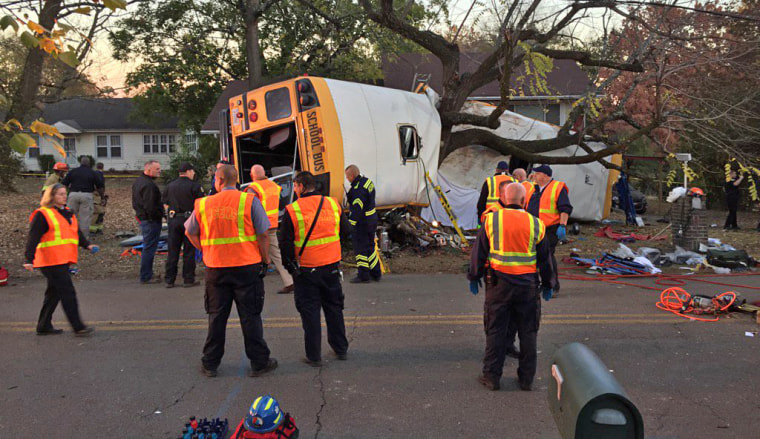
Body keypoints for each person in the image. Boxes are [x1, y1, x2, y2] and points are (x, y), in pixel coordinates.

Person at [185, 164, 277, 378]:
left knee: (217, 317)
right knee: (250, 316)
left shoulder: (204, 204)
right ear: (236, 180)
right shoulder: (249, 201)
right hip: (246, 267)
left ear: (218, 180)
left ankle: (210, 363)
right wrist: (265, 259)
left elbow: (190, 232)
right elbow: (263, 234)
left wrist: (206, 249)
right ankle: (259, 362)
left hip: (216, 268)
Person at [468, 182, 554, 391]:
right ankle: (526, 379)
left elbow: (479, 252)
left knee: (496, 330)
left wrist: (474, 275)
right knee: (528, 332)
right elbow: (546, 259)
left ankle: (492, 377)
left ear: (503, 200)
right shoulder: (536, 224)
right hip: (527, 287)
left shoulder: (491, 221)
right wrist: (549, 282)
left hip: (499, 285)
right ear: (524, 202)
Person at [280, 171, 348, 367]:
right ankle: (340, 348)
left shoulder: (293, 210)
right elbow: (345, 231)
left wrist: (290, 267)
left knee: (310, 312)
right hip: (331, 265)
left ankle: (314, 356)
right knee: (334, 307)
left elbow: (285, 243)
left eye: (295, 186)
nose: (294, 190)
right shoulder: (333, 204)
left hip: (307, 269)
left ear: (301, 186)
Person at [24, 183, 98, 336]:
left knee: (54, 293)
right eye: (60, 194)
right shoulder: (43, 214)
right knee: (67, 293)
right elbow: (33, 238)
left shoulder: (67, 212)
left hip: (62, 260)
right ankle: (78, 326)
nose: (64, 197)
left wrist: (87, 245)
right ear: (51, 197)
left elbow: (75, 233)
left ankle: (43, 325)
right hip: (50, 261)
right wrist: (28, 259)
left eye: (65, 194)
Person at [247, 164, 294, 294]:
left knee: (251, 253)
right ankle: (290, 280)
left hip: (258, 227)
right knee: (276, 254)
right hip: (272, 224)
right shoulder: (274, 186)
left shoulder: (253, 188)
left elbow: (250, 208)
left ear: (252, 175)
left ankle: (251, 283)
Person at [526, 165, 571, 295]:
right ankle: (537, 284)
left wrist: (562, 225)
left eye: (537, 173)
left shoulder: (558, 187)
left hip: (550, 229)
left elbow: (565, 208)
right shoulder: (533, 188)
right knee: (534, 258)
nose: (534, 176)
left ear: (545, 175)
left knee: (547, 257)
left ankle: (552, 286)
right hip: (533, 229)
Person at [162, 162, 204, 288]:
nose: (194, 173)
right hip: (189, 220)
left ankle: (169, 280)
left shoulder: (170, 186)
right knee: (189, 251)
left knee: (173, 250)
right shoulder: (195, 186)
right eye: (193, 171)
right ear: (188, 171)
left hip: (174, 220)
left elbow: (164, 203)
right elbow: (201, 204)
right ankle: (188, 279)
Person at [344, 164, 381, 283]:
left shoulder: (357, 190)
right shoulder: (367, 182)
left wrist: (350, 225)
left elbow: (357, 209)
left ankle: (363, 275)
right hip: (372, 220)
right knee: (370, 247)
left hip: (362, 223)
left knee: (360, 249)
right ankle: (376, 273)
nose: (347, 179)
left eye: (347, 177)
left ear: (352, 176)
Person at [132, 160, 164, 284]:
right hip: (150, 220)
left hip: (144, 218)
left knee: (148, 247)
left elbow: (135, 202)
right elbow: (150, 205)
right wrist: (157, 216)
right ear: (149, 169)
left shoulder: (139, 182)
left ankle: (147, 274)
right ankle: (146, 276)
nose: (159, 171)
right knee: (149, 248)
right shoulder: (149, 185)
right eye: (157, 169)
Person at [61, 156, 105, 236]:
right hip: (86, 195)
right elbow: (100, 187)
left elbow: (64, 183)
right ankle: (83, 238)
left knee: (70, 215)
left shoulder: (73, 171)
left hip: (73, 194)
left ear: (80, 163)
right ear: (89, 163)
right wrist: (102, 197)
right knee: (84, 218)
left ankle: (68, 235)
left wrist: (67, 193)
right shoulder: (92, 172)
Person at [90, 163, 108, 234]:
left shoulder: (93, 173)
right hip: (97, 196)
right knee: (98, 213)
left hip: (93, 195)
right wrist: (103, 197)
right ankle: (93, 230)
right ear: (103, 167)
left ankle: (98, 229)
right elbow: (101, 187)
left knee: (99, 213)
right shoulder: (100, 175)